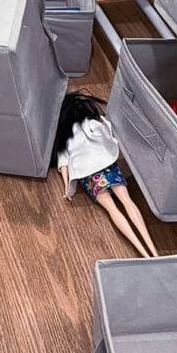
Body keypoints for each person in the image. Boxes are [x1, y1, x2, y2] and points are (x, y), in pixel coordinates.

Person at [54, 92, 158, 259]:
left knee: (112, 209)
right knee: (127, 201)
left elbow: (64, 162)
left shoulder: (65, 138)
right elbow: (108, 132)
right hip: (107, 164)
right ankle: (153, 250)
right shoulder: (92, 123)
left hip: (89, 175)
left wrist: (68, 187)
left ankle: (144, 252)